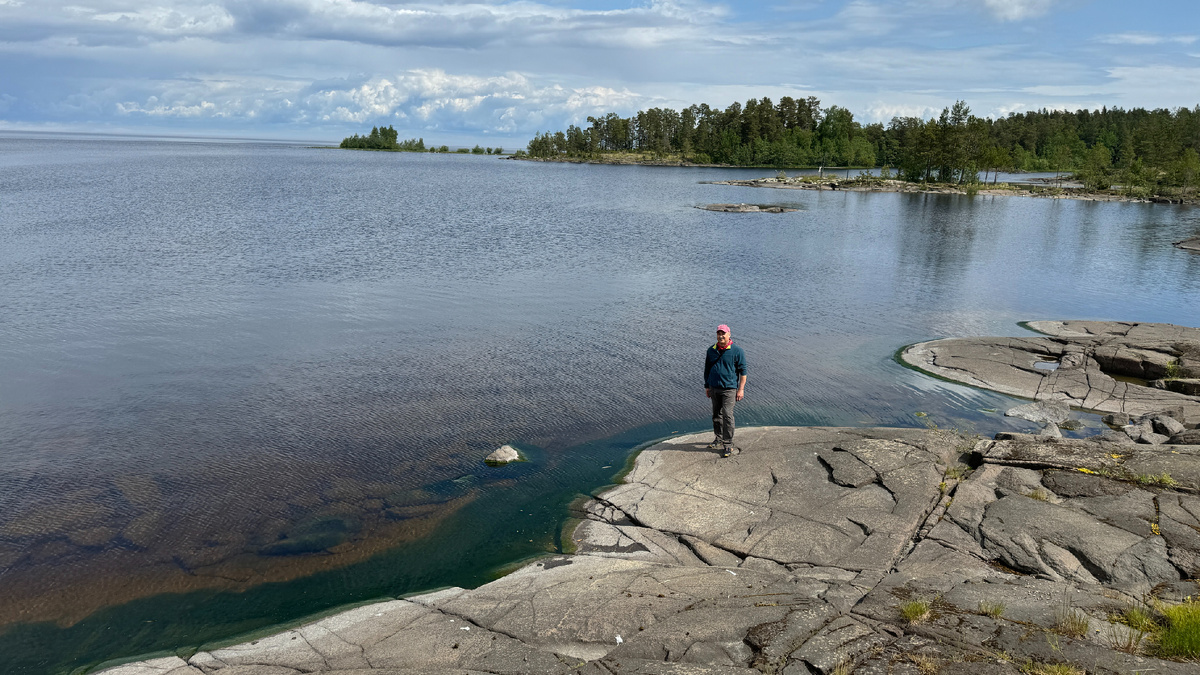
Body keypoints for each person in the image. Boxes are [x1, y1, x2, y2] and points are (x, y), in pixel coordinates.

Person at [704, 324, 747, 457]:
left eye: (723, 333)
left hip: (729, 389)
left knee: (727, 415)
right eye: (719, 333)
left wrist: (741, 389)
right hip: (714, 388)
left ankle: (727, 444)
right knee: (716, 415)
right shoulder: (711, 350)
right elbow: (707, 369)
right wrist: (707, 386)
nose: (721, 336)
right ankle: (718, 438)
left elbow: (743, 372)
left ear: (729, 335)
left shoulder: (737, 351)